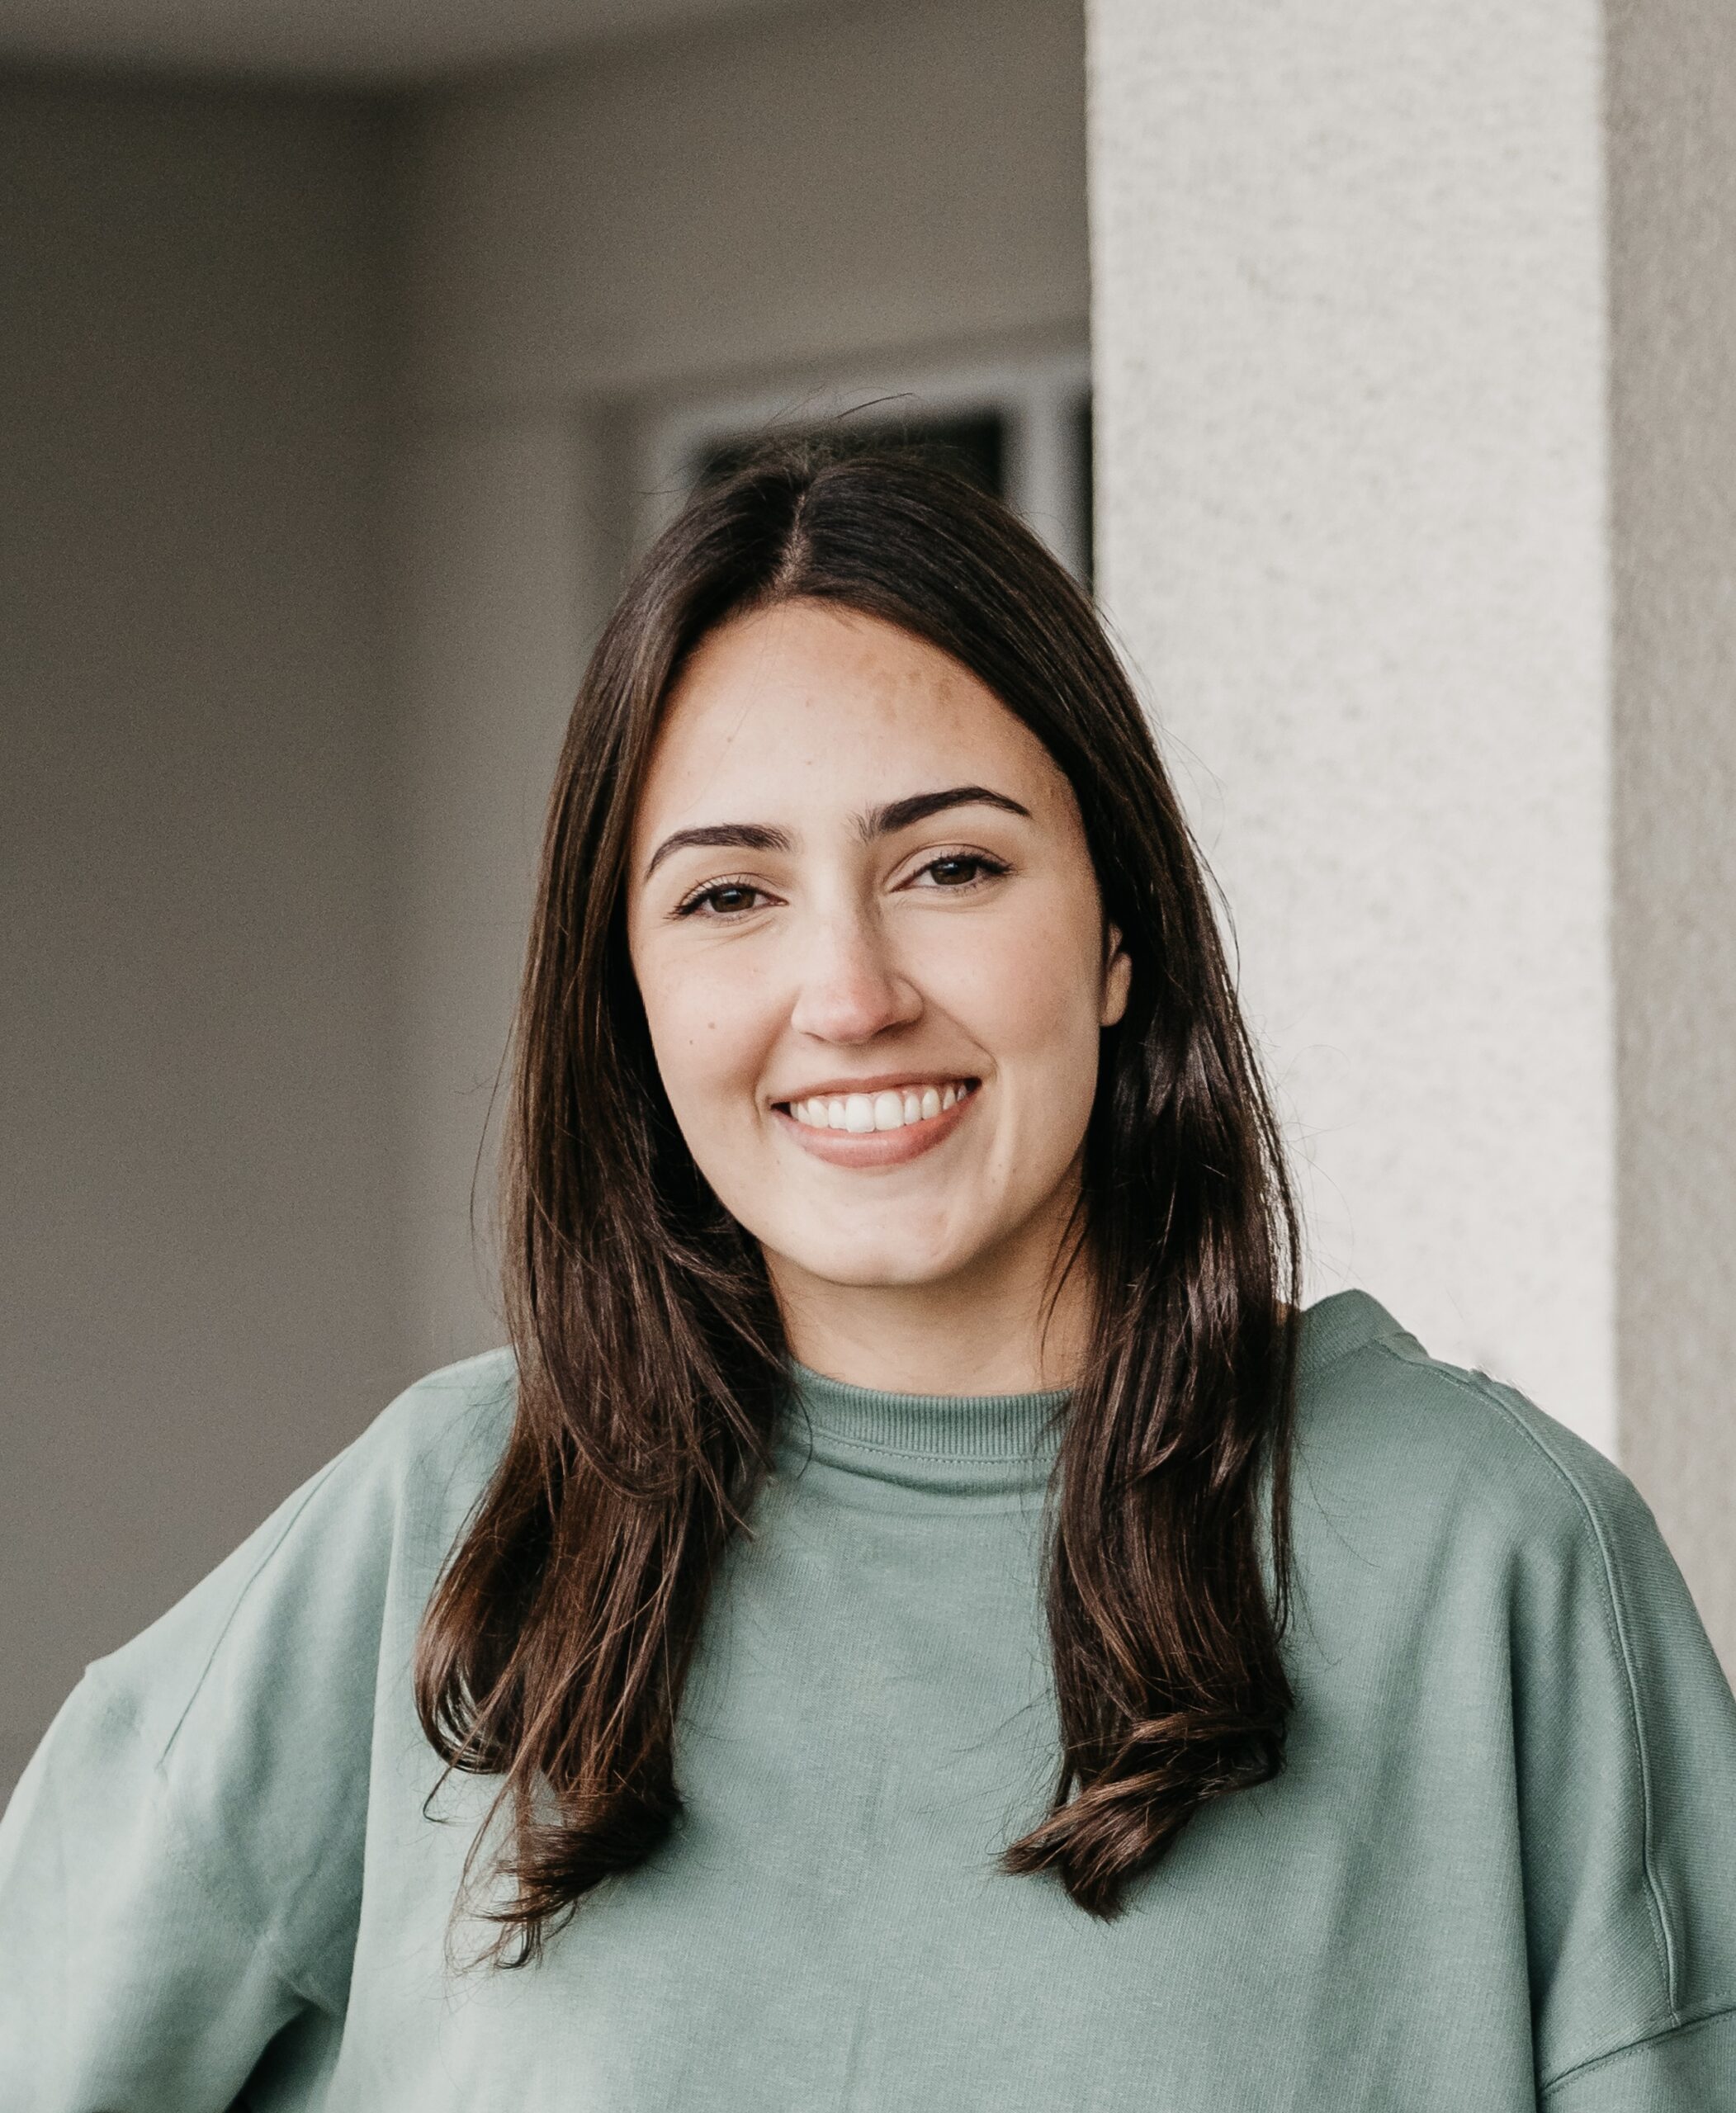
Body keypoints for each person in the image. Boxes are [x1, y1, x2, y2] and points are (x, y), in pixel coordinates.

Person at [2, 446, 1734, 2113]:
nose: (845, 992)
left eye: (950, 867)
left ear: (1117, 931)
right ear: (631, 995)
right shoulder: (442, 1533)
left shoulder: (1491, 1552)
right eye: (728, 894)